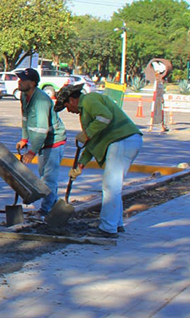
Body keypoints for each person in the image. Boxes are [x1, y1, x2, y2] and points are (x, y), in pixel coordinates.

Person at [54, 83, 143, 238]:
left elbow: (105, 117)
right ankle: (117, 224)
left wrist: (87, 133)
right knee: (114, 186)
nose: (68, 110)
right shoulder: (85, 110)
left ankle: (107, 229)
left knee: (110, 186)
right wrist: (80, 165)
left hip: (122, 140)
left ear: (72, 99)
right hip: (123, 141)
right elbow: (92, 142)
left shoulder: (89, 100)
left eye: (66, 105)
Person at [14, 68, 67, 217]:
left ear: (32, 83)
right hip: (42, 142)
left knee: (48, 178)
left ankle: (46, 210)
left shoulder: (42, 100)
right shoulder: (24, 96)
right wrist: (24, 138)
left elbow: (42, 129)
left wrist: (32, 151)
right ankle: (54, 205)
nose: (19, 82)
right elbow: (25, 118)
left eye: (22, 80)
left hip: (53, 141)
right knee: (44, 175)